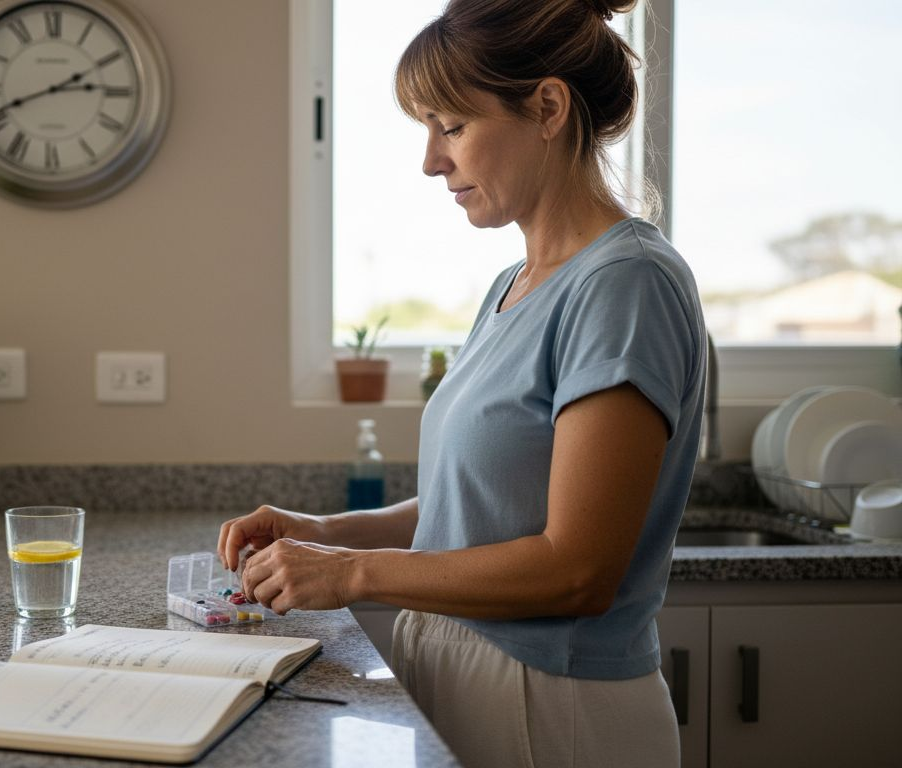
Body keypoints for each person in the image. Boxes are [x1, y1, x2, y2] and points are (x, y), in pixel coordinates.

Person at [217, 1, 706, 765]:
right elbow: (481, 506)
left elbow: (578, 570)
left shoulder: (626, 284)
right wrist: (325, 532)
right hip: (470, 678)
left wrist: (352, 572)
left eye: (451, 126)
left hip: (554, 705)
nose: (430, 161)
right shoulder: (514, 285)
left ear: (548, 108)